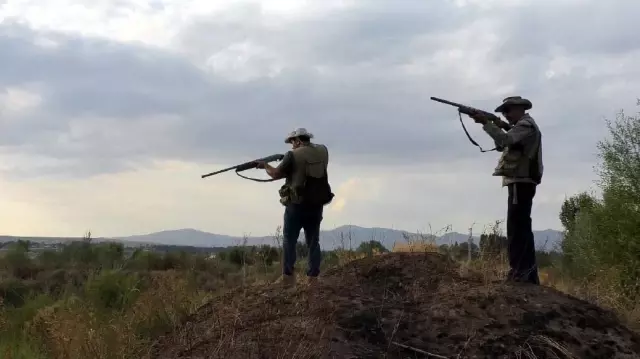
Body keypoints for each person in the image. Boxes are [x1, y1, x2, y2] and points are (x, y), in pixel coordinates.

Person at [468, 96, 543, 285]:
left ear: (519, 109)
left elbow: (505, 139)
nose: (506, 115)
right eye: (503, 112)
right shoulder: (522, 126)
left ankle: (520, 273)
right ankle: (527, 274)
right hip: (520, 181)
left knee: (517, 229)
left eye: (508, 111)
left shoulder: (525, 125)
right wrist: (497, 124)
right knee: (520, 227)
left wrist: (487, 123)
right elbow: (502, 145)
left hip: (521, 181)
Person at [257, 128, 334, 288]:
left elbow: (276, 174)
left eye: (293, 142)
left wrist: (264, 165)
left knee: (289, 240)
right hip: (316, 204)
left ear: (298, 140)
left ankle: (288, 277)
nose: (292, 146)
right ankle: (313, 278)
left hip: (297, 205)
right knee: (313, 241)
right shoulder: (322, 151)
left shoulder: (292, 156)